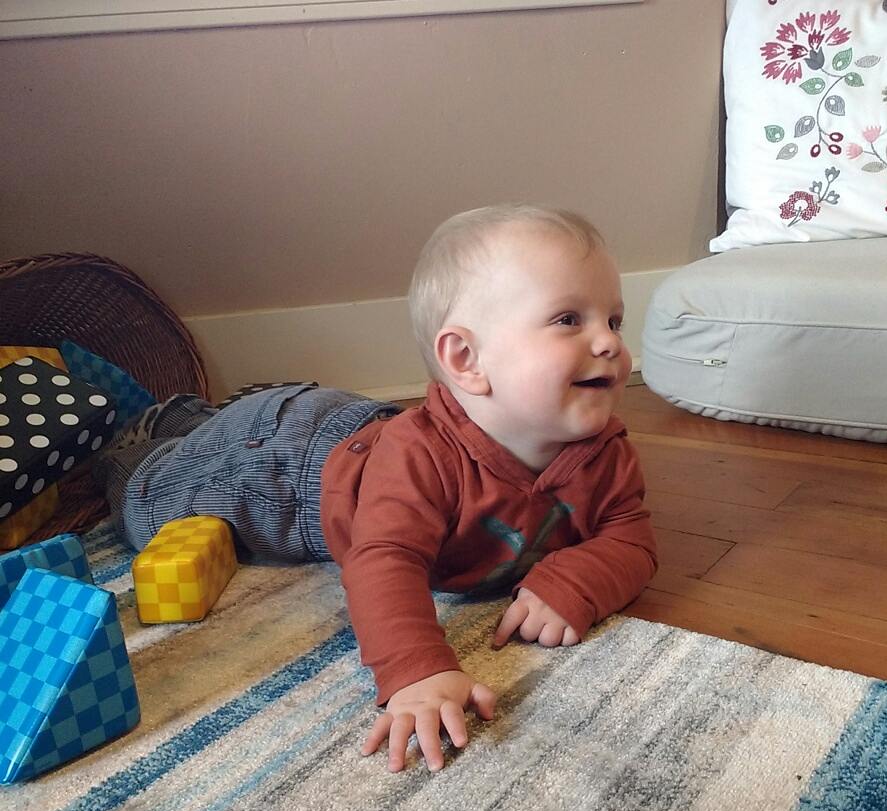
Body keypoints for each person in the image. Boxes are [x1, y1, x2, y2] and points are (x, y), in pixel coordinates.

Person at [96, 203, 658, 774]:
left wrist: (578, 578)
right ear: (466, 359)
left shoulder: (606, 453)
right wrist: (417, 670)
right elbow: (384, 558)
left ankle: (194, 417)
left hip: (358, 427)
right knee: (145, 504)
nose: (608, 343)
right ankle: (143, 435)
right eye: (569, 320)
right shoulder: (420, 457)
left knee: (210, 434)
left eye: (613, 321)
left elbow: (631, 539)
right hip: (282, 467)